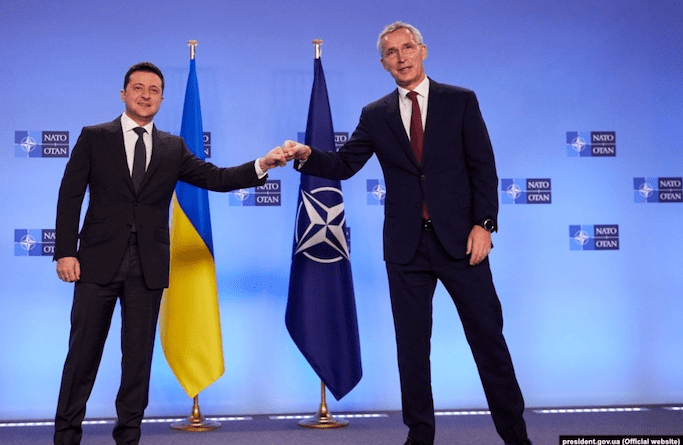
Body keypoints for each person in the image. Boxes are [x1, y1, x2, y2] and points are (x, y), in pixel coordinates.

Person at [283, 21, 531, 445]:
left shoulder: (461, 101)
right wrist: (307, 156)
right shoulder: (375, 114)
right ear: (383, 64)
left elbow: (483, 168)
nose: (401, 57)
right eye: (391, 53)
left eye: (407, 48)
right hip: (406, 249)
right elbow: (344, 165)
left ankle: (516, 435)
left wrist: (484, 225)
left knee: (488, 340)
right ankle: (419, 435)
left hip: (462, 245)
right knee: (412, 350)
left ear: (423, 51)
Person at [52, 61, 286, 445]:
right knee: (82, 357)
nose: (146, 95)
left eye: (154, 89)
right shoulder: (94, 137)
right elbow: (70, 196)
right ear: (124, 93)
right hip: (95, 264)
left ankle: (128, 438)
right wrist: (65, 252)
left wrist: (263, 164)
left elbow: (218, 178)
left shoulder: (172, 147)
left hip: (148, 267)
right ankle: (65, 437)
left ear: (162, 97)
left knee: (138, 362)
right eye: (138, 88)